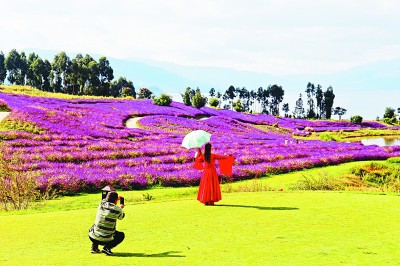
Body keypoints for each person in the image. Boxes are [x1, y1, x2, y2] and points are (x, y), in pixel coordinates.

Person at [88, 191, 125, 255]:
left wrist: (114, 199)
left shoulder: (101, 204)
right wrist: (121, 208)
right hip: (106, 240)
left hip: (92, 237)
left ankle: (94, 247)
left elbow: (104, 200)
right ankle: (107, 248)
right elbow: (121, 217)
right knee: (121, 235)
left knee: (95, 226)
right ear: (116, 200)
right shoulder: (117, 209)